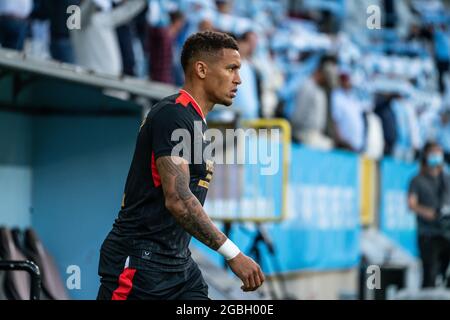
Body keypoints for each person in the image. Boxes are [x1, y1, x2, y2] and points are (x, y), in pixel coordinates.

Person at [97, 31, 264, 300]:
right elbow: (178, 200)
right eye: (231, 68)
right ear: (201, 69)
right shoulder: (173, 114)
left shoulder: (194, 122)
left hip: (178, 265)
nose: (239, 79)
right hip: (141, 262)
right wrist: (233, 254)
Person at [408, 141, 450, 288]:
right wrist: (429, 213)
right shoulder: (417, 180)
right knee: (429, 276)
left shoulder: (446, 179)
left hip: (446, 232)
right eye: (433, 153)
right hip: (428, 234)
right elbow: (411, 204)